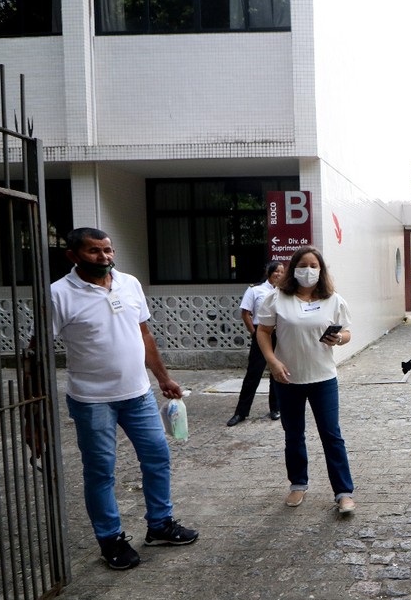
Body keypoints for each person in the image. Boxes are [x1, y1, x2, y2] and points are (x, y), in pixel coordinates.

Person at [51, 228, 198, 570]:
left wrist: (163, 378)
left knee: (158, 457)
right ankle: (110, 539)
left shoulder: (128, 283)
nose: (104, 257)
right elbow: (36, 350)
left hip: (139, 394)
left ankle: (159, 524)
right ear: (73, 255)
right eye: (93, 251)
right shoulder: (58, 294)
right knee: (101, 471)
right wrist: (33, 415)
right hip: (92, 400)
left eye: (107, 250)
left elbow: (144, 334)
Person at [255, 246, 356, 514]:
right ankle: (298, 484)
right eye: (303, 265)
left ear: (321, 270)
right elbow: (263, 331)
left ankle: (344, 492)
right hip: (287, 378)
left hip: (323, 378)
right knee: (294, 434)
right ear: (293, 268)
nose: (308, 271)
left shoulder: (333, 299)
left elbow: (347, 333)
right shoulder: (277, 298)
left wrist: (339, 338)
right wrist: (272, 362)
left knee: (331, 435)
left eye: (314, 266)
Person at [227, 261, 284, 426]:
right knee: (254, 374)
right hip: (261, 333)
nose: (279, 275)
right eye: (276, 272)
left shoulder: (285, 292)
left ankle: (276, 408)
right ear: (269, 273)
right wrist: (254, 333)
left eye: (282, 272)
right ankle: (241, 412)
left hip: (279, 334)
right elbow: (245, 313)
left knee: (277, 372)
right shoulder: (255, 290)